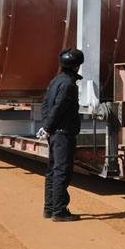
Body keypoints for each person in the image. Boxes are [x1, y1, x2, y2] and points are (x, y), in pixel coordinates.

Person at [41, 48, 83, 222]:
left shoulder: (56, 81)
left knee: (52, 170)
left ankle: (49, 208)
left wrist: (46, 127)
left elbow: (45, 105)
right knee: (61, 171)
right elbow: (59, 108)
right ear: (76, 67)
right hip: (63, 134)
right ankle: (59, 211)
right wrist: (49, 127)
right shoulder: (69, 85)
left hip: (55, 134)